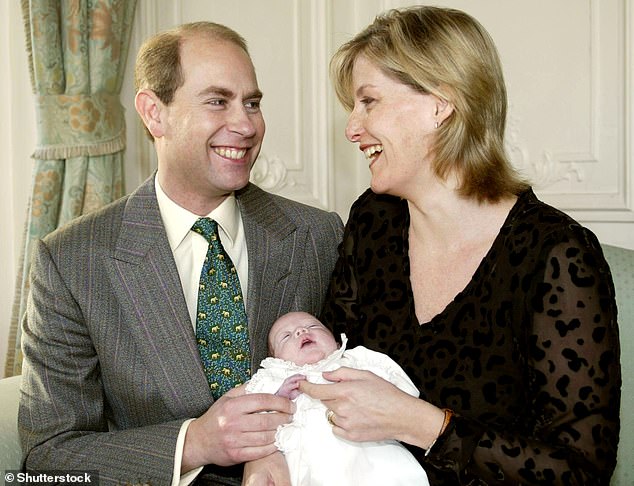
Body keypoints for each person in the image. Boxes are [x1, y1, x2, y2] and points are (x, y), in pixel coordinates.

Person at [300, 6, 622, 485]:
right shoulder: (372, 221)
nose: (352, 128)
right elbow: (323, 366)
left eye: (369, 101)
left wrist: (419, 422)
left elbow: (580, 472)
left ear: (440, 104)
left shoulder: (556, 255)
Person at [18, 22, 343, 486]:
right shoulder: (71, 261)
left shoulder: (318, 236)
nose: (247, 125)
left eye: (252, 103)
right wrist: (194, 443)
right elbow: (46, 457)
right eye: (217, 101)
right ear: (155, 113)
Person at [246, 311, 429, 486]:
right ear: (276, 360)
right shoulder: (273, 379)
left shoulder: (355, 360)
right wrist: (279, 397)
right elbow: (254, 421)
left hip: (373, 454)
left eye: (313, 326)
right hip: (310, 466)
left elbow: (402, 390)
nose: (301, 331)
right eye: (285, 336)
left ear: (334, 339)